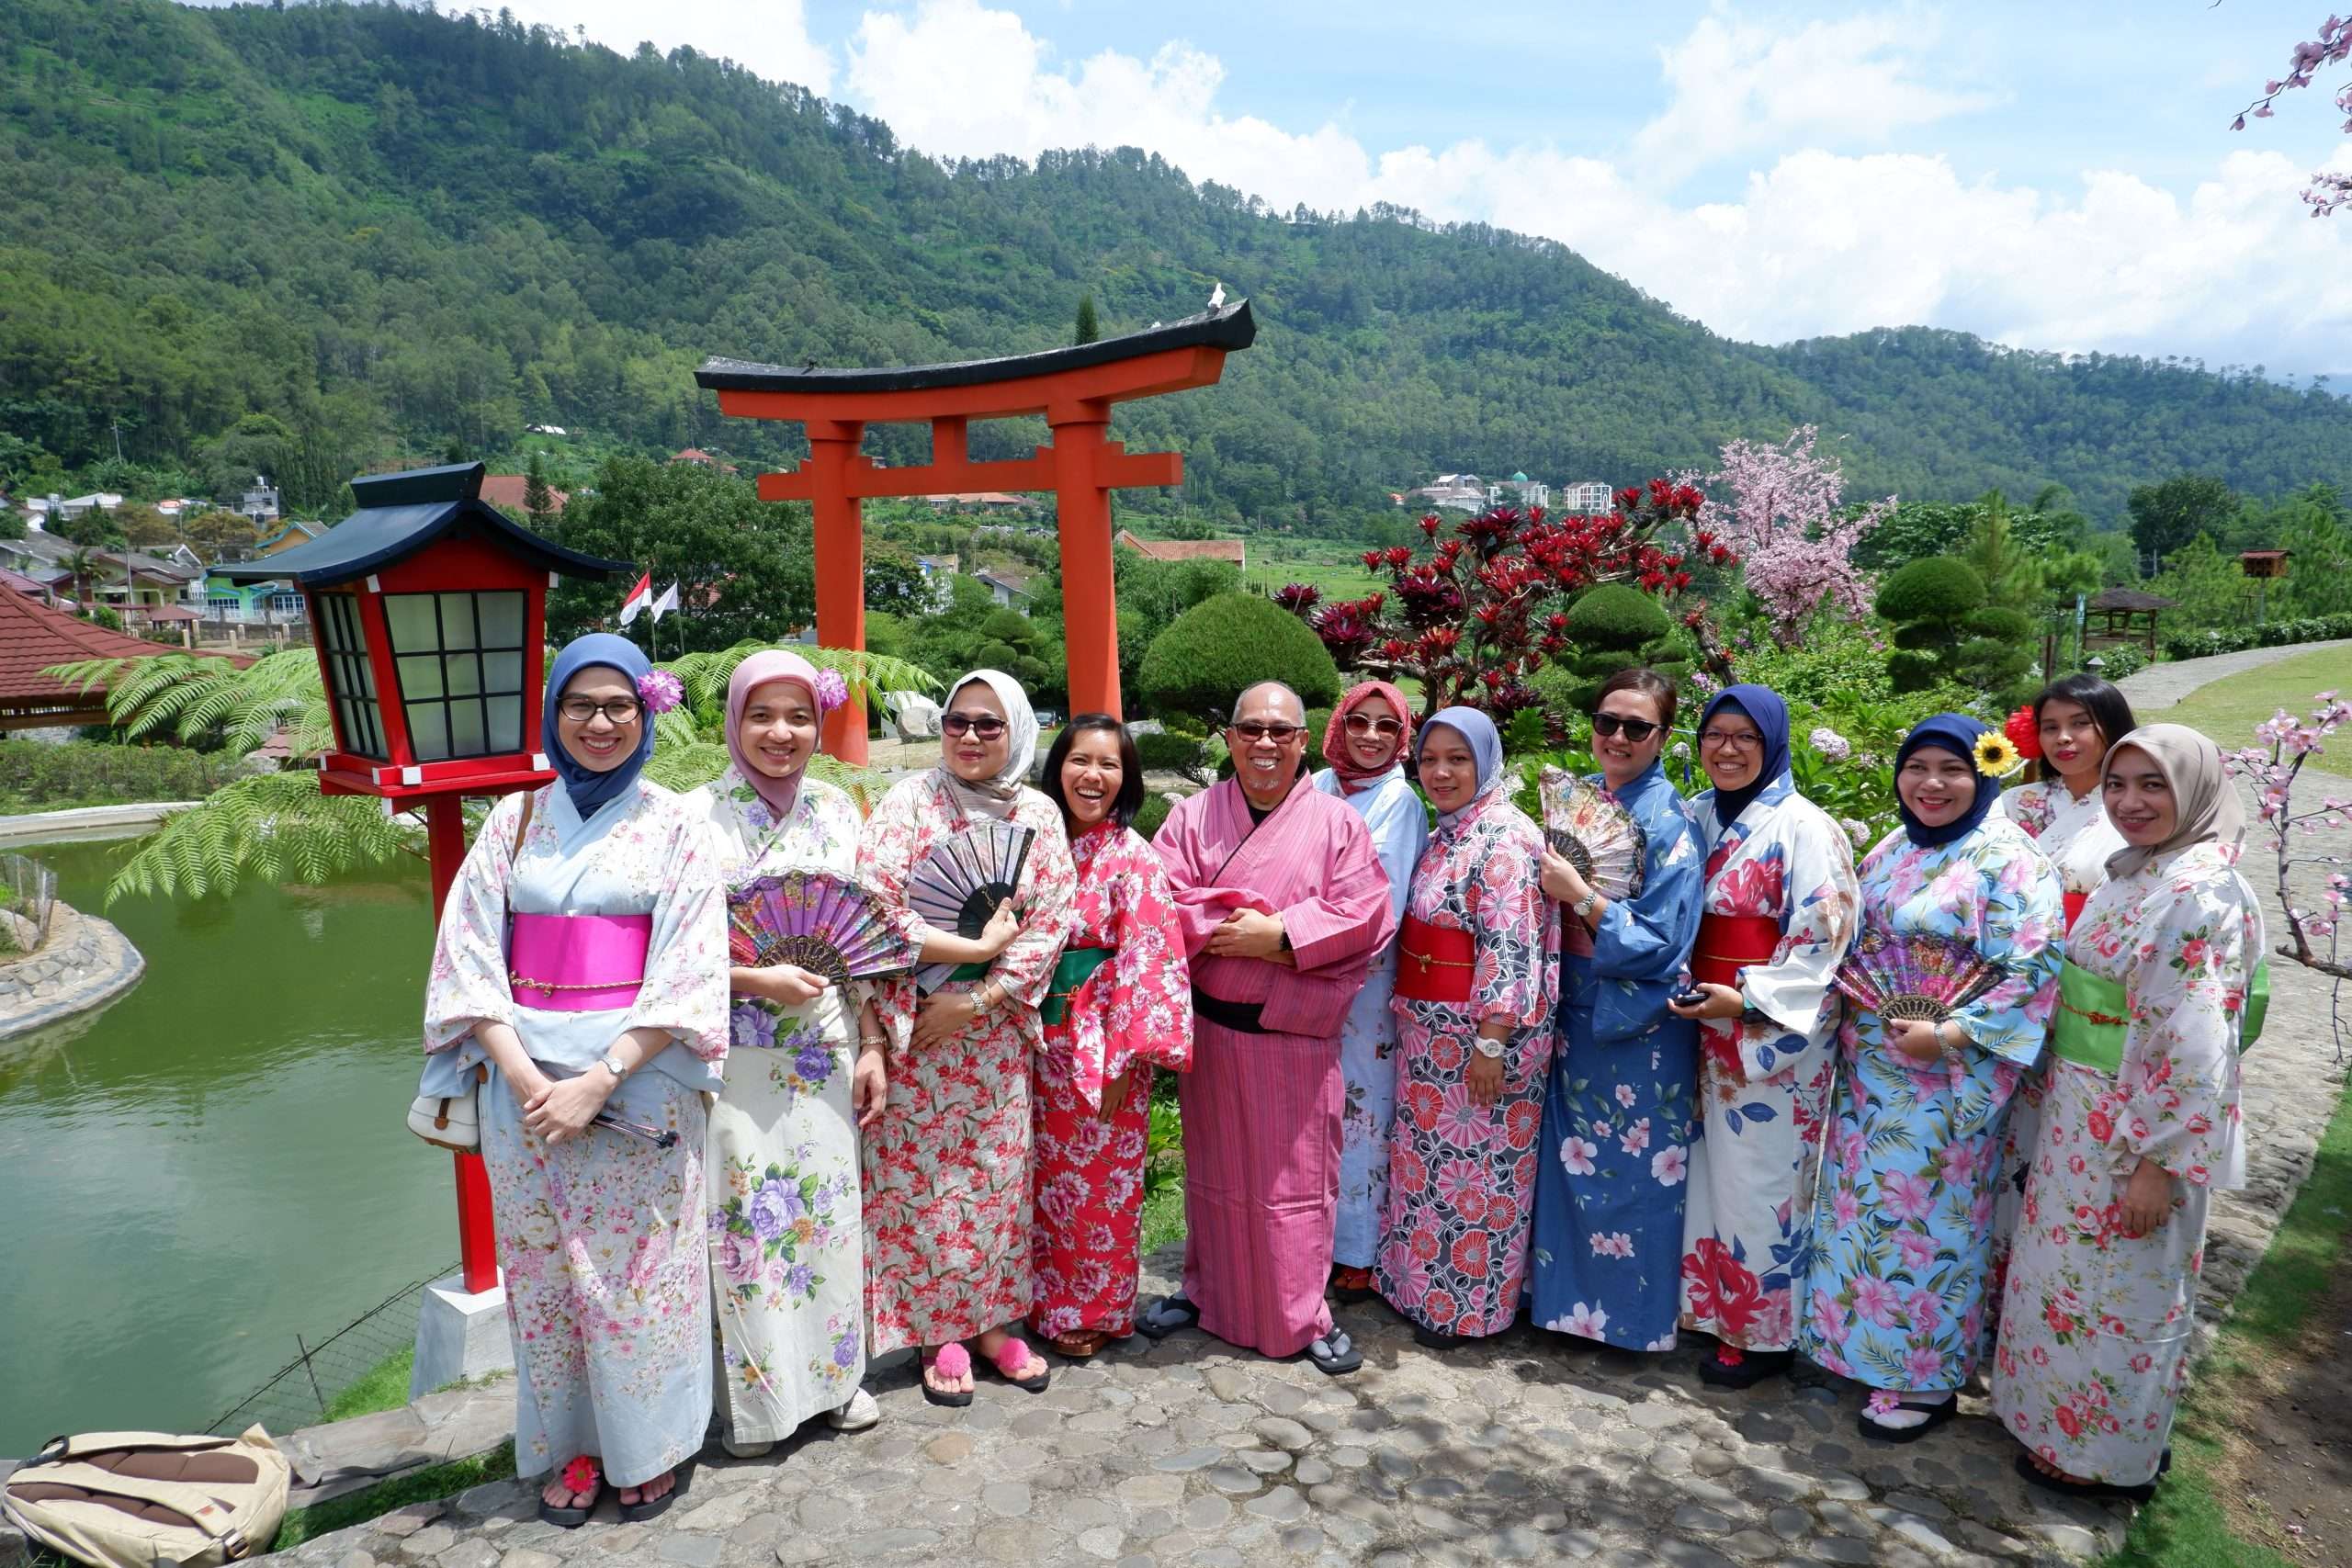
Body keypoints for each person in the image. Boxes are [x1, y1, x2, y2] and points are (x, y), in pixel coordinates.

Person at [423, 634, 729, 1527]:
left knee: (639, 1278)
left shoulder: (676, 825)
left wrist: (600, 1077)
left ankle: (650, 1446)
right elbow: (468, 956)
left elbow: (691, 969)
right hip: (522, 1092)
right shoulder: (514, 821)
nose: (600, 722)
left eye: (618, 705)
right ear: (552, 712)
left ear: (646, 713)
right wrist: (523, 1074)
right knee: (545, 1277)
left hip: (638, 1082)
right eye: (580, 705)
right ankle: (576, 1446)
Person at [1993, 724, 2265, 1500]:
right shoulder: (2138, 869)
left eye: (2154, 785)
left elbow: (2196, 1043)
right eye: (2118, 784)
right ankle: (2054, 1421)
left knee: (2125, 1286)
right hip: (2078, 1104)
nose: (2130, 801)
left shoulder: (2200, 890)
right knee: (2069, 1276)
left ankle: (2105, 1453)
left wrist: (2157, 1161)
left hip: (2135, 1123)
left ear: (2195, 790)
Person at [1796, 714, 2064, 1440]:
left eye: (1952, 769)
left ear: (1984, 774)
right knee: (1861, 1215)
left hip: (1947, 1078)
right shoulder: (1893, 846)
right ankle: (1859, 1348)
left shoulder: (2012, 858)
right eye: (1917, 767)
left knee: (1927, 1223)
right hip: (1871, 1072)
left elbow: (2032, 969)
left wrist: (1947, 1033)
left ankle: (1926, 1376)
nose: (1932, 784)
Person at [1140, 681, 1396, 1375]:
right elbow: (1160, 900)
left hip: (1292, 1038)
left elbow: (1368, 913)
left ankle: (1301, 1315)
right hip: (1214, 1033)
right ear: (1229, 738)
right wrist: (1244, 926)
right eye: (1251, 728)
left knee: (1295, 1186)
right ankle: (1207, 1294)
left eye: (1281, 731)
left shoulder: (1338, 825)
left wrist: (1279, 935)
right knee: (1215, 1177)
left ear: (1302, 742)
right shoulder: (1192, 817)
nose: (1265, 743)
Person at [857, 670, 1076, 1405]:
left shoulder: (1038, 815)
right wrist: (964, 958)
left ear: (1017, 728)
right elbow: (876, 909)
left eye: (989, 723)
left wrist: (980, 997)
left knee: (995, 1181)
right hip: (918, 1026)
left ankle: (991, 1322)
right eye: (957, 721)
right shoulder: (908, 803)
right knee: (924, 1187)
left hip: (993, 1032)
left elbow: (1049, 923)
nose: (971, 736)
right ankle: (936, 1329)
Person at [693, 652, 887, 1455]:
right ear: (734, 721)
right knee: (745, 1233)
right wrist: (751, 977)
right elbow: (666, 949)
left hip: (826, 1052)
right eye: (762, 715)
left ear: (819, 724)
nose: (782, 732)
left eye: (799, 716)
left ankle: (837, 1383)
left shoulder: (838, 810)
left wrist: (872, 1042)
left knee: (827, 1225)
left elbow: (864, 938)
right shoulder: (694, 816)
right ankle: (756, 1408)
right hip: (732, 1061)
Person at [1669, 683, 1860, 1389]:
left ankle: (1763, 1333)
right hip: (1698, 1017)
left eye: (1745, 736)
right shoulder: (1694, 814)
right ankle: (1707, 1308)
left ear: (1773, 743)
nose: (1727, 749)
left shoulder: (1807, 827)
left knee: (1761, 1181)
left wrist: (1748, 997)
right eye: (1715, 734)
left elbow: (1824, 937)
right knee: (1704, 1174)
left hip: (1766, 1032)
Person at [1530, 668, 1705, 1352]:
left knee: (1637, 1171)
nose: (1619, 737)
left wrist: (1581, 895)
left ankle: (1630, 1322)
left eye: (1638, 727)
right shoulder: (1585, 798)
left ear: (1663, 736)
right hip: (1576, 1003)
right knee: (1570, 1160)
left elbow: (1663, 940)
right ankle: (1562, 1307)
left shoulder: (1671, 822)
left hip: (1638, 1018)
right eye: (1608, 722)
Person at [1374, 706, 1558, 1347]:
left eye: (1458, 759)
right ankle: (1419, 1290)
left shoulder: (1504, 837)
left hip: (1479, 1041)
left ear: (1486, 762)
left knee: (1477, 1176)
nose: (1441, 772)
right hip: (1429, 1038)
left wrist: (1492, 1040)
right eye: (1430, 759)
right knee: (1429, 1173)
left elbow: (1510, 944)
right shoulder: (1449, 831)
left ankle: (1466, 1309)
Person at [1028, 716, 1194, 1359]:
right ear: (1057, 768)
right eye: (1081, 760)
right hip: (1033, 1038)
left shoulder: (1133, 856)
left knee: (1096, 1182)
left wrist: (1125, 1060)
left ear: (1127, 778)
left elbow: (1151, 959)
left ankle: (1094, 1307)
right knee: (1039, 1179)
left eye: (1109, 764)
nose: (1093, 776)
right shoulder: (1036, 844)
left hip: (1102, 1043)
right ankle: (1034, 1299)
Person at [1309, 681, 1428, 1303]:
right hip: (1301, 969)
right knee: (1314, 1111)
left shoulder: (1399, 801)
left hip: (1364, 979)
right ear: (1340, 724)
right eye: (1360, 721)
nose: (1372, 736)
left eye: (1388, 724)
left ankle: (1357, 1249)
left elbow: (1385, 896)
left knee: (1362, 1111)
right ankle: (1312, 1237)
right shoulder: (1315, 786)